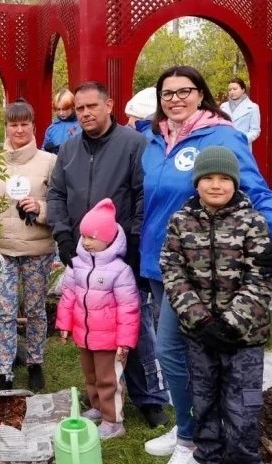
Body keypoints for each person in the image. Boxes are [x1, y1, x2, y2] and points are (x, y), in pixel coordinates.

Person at [140, 65, 272, 463]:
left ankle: (194, 437)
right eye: (167, 93)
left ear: (201, 93)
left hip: (205, 268)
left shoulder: (222, 134)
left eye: (184, 91)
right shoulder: (153, 138)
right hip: (163, 259)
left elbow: (253, 186)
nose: (175, 99)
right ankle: (191, 429)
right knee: (173, 352)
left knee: (173, 350)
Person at [47, 81, 169, 429]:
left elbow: (144, 195)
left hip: (122, 255)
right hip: (83, 257)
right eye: (80, 108)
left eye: (92, 106)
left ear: (109, 105)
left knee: (135, 326)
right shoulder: (68, 149)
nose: (85, 113)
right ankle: (101, 399)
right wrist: (64, 235)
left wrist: (132, 240)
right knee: (92, 327)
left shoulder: (133, 144)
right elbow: (56, 194)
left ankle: (150, 398)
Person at [160, 146, 272, 464]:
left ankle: (242, 457)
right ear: (196, 182)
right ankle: (208, 455)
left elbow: (262, 278)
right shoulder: (181, 222)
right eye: (207, 177)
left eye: (224, 178)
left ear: (235, 183)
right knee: (205, 400)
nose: (215, 184)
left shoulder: (252, 222)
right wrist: (202, 321)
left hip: (245, 339)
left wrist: (231, 323)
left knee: (242, 406)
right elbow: (172, 271)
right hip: (200, 337)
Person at [0, 101, 57, 392]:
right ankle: (4, 368)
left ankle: (35, 362)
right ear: (6, 128)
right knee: (6, 311)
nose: (19, 129)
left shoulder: (49, 161)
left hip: (37, 248)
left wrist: (41, 206)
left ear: (33, 126)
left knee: (35, 309)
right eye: (13, 124)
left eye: (24, 124)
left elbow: (60, 203)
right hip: (1, 248)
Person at [56, 198, 139, 440]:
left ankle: (113, 420)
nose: (87, 242)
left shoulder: (120, 271)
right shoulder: (76, 265)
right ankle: (96, 407)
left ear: (109, 238)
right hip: (85, 335)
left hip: (110, 340)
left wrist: (125, 342)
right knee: (90, 375)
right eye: (84, 236)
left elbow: (129, 308)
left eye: (93, 237)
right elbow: (68, 296)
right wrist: (64, 324)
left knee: (108, 379)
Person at [219, 77, 260, 149]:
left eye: (235, 89)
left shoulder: (252, 107)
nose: (232, 92)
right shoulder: (223, 106)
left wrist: (243, 139)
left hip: (242, 146)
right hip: (225, 145)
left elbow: (255, 130)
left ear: (243, 90)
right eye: (229, 90)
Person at [42, 88, 80, 154]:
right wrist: (48, 149)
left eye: (64, 109)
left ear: (72, 107)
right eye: (58, 109)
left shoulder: (81, 125)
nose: (61, 113)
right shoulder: (51, 128)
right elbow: (43, 151)